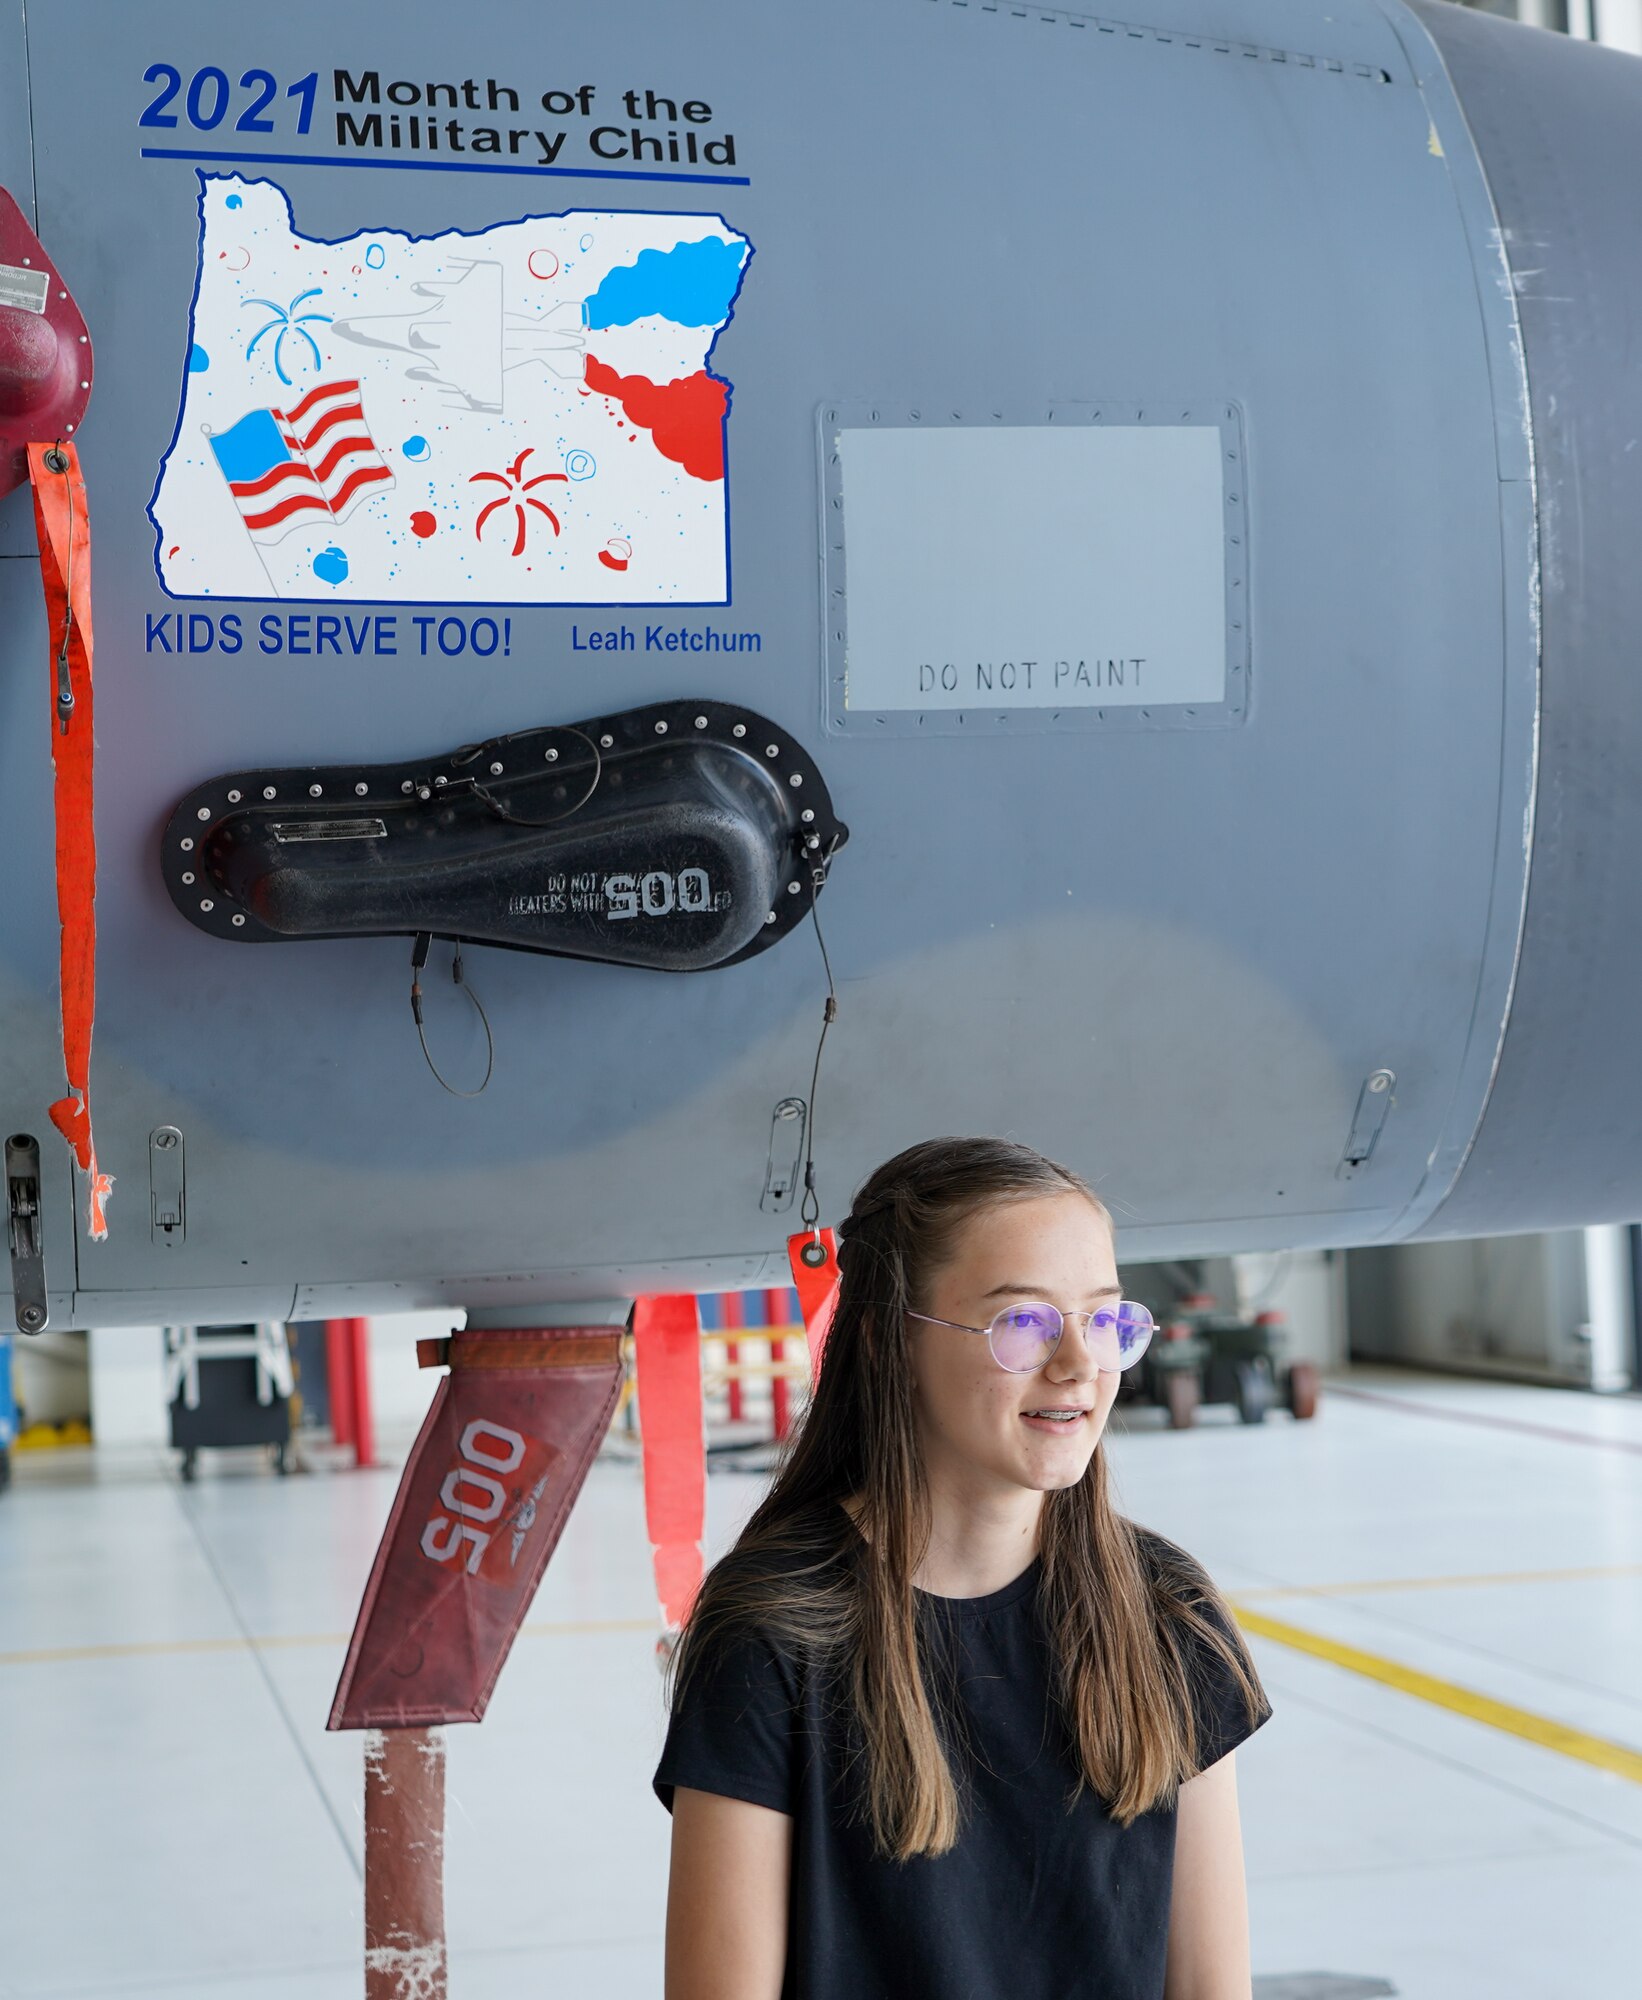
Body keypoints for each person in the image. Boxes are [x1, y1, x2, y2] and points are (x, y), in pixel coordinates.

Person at [654, 1136, 1272, 2000]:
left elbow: (1211, 1986)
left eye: (1103, 1320)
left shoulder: (1167, 1612)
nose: (1077, 1365)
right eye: (1022, 1322)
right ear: (885, 1341)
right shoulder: (775, 1632)